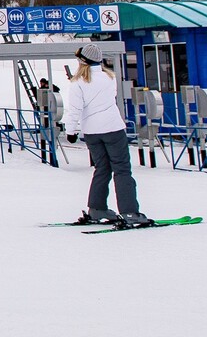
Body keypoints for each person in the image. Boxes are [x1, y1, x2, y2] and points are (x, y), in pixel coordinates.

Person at [61, 43, 150, 227]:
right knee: (122, 169)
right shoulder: (110, 78)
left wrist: (71, 131)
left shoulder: (77, 83)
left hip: (92, 132)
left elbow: (75, 109)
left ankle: (97, 208)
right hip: (113, 128)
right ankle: (129, 211)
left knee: (102, 169)